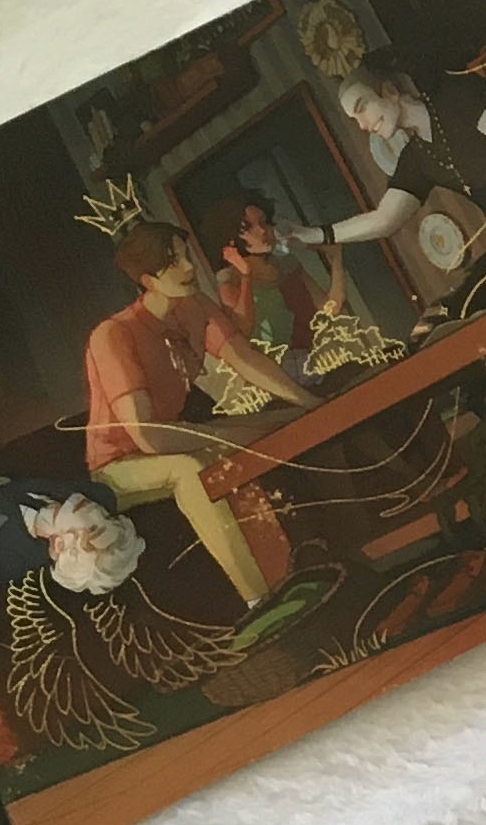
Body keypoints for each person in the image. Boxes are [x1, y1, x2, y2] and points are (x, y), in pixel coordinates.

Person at [80, 223, 314, 610]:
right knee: (191, 469)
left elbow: (244, 358)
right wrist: (226, 437)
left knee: (278, 422)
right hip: (118, 465)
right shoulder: (114, 335)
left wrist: (306, 402)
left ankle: (290, 572)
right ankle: (258, 598)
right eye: (173, 261)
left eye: (185, 256)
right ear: (148, 279)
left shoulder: (194, 307)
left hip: (176, 435)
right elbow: (149, 437)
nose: (189, 267)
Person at [295, 55, 486, 320]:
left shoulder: (456, 97)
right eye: (355, 119)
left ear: (390, 90)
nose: (363, 125)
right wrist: (313, 235)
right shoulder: (417, 158)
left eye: (362, 107)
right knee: (442, 315)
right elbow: (384, 220)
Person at [215, 192, 344, 370]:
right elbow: (242, 331)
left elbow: (330, 310)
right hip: (275, 370)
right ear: (232, 238)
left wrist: (336, 259)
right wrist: (246, 275)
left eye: (264, 222)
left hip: (316, 360)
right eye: (248, 228)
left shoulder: (287, 266)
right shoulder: (231, 280)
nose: (262, 231)